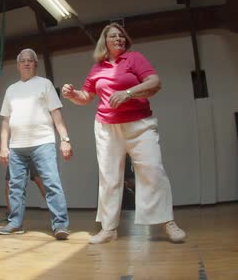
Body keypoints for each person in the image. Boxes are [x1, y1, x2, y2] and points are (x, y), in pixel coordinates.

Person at [61, 23, 186, 244]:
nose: (118, 39)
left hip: (140, 124)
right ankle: (109, 229)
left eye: (121, 36)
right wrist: (72, 94)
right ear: (105, 41)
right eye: (113, 36)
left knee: (153, 171)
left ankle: (168, 222)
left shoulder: (134, 58)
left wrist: (128, 93)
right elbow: (86, 97)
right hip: (107, 127)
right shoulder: (97, 68)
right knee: (109, 177)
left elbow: (155, 83)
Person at [0, 48, 73, 240]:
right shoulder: (11, 90)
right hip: (16, 147)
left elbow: (57, 115)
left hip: (43, 143)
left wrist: (65, 139)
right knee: (15, 186)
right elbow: (5, 121)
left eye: (30, 60)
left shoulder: (45, 84)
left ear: (35, 65)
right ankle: (15, 223)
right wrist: (4, 146)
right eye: (23, 61)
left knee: (52, 184)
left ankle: (60, 225)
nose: (27, 63)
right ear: (18, 65)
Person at [0, 145, 47, 223]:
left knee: (40, 180)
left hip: (35, 148)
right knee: (9, 183)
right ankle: (12, 217)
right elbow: (7, 133)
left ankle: (57, 216)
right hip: (16, 151)